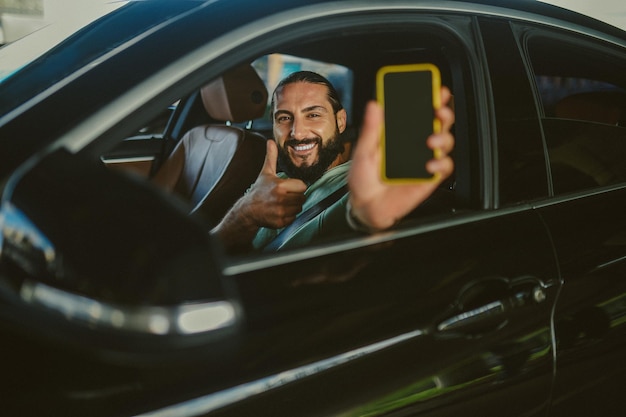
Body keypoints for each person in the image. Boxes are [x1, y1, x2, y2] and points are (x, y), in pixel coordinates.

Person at [211, 71, 455, 253]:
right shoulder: (270, 184)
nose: (297, 132)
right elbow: (208, 255)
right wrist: (244, 214)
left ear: (340, 121)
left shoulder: (359, 186)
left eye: (314, 115)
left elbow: (363, 217)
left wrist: (368, 222)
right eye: (284, 118)